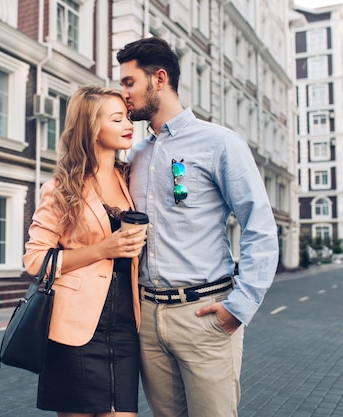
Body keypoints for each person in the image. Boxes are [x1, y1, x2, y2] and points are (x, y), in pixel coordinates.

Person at [116, 37, 279, 417]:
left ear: (159, 79)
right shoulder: (136, 155)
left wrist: (239, 307)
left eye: (129, 82)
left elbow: (259, 225)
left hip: (205, 315)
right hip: (149, 321)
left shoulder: (220, 143)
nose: (124, 93)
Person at [22, 85, 147, 417]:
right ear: (92, 127)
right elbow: (35, 261)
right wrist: (102, 249)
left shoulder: (130, 179)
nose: (128, 125)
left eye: (128, 117)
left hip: (124, 326)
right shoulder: (61, 188)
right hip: (74, 327)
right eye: (117, 118)